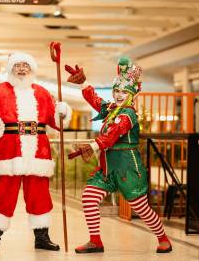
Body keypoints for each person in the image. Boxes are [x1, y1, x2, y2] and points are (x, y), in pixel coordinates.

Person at [65, 57, 173, 254]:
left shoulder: (128, 115)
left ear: (132, 94)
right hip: (108, 168)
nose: (119, 94)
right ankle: (95, 241)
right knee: (89, 197)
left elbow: (111, 136)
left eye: (124, 91)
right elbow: (96, 100)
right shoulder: (112, 110)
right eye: (116, 91)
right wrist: (83, 83)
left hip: (128, 168)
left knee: (141, 208)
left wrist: (92, 145)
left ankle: (163, 238)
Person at [0, 52, 72, 252]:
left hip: (38, 151)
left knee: (39, 194)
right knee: (3, 194)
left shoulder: (42, 93)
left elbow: (55, 122)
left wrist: (62, 112)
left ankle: (42, 237)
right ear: (11, 68)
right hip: (8, 150)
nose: (21, 69)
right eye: (17, 65)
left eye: (25, 65)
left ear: (31, 69)